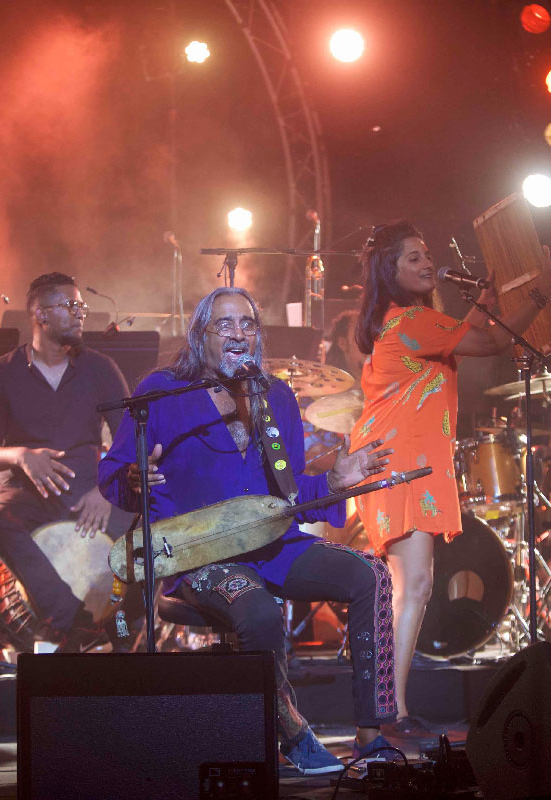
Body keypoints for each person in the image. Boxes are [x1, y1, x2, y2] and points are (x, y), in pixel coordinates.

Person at [98, 286, 399, 774]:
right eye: (225, 324)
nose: (239, 333)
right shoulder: (161, 390)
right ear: (201, 334)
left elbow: (288, 491)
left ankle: (370, 733)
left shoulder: (274, 394)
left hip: (273, 545)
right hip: (199, 555)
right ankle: (293, 733)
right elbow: (114, 475)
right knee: (259, 614)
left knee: (372, 575)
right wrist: (135, 478)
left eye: (248, 324)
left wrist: (336, 480)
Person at [349, 221, 551, 738]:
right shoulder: (412, 320)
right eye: (413, 257)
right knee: (410, 588)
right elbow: (498, 340)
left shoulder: (413, 322)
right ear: (389, 270)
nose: (427, 263)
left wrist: (483, 302)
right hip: (401, 462)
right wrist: (541, 288)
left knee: (411, 587)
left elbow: (473, 335)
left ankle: (385, 714)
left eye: (427, 254)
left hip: (405, 459)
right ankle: (383, 717)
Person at [0, 271, 130, 650]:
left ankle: (125, 635)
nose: (80, 314)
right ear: (40, 314)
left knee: (150, 518)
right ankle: (75, 622)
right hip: (28, 495)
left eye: (81, 306)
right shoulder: (0, 373)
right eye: (70, 306)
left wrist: (105, 491)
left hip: (91, 494)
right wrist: (21, 456)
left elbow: (129, 443)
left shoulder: (101, 369)